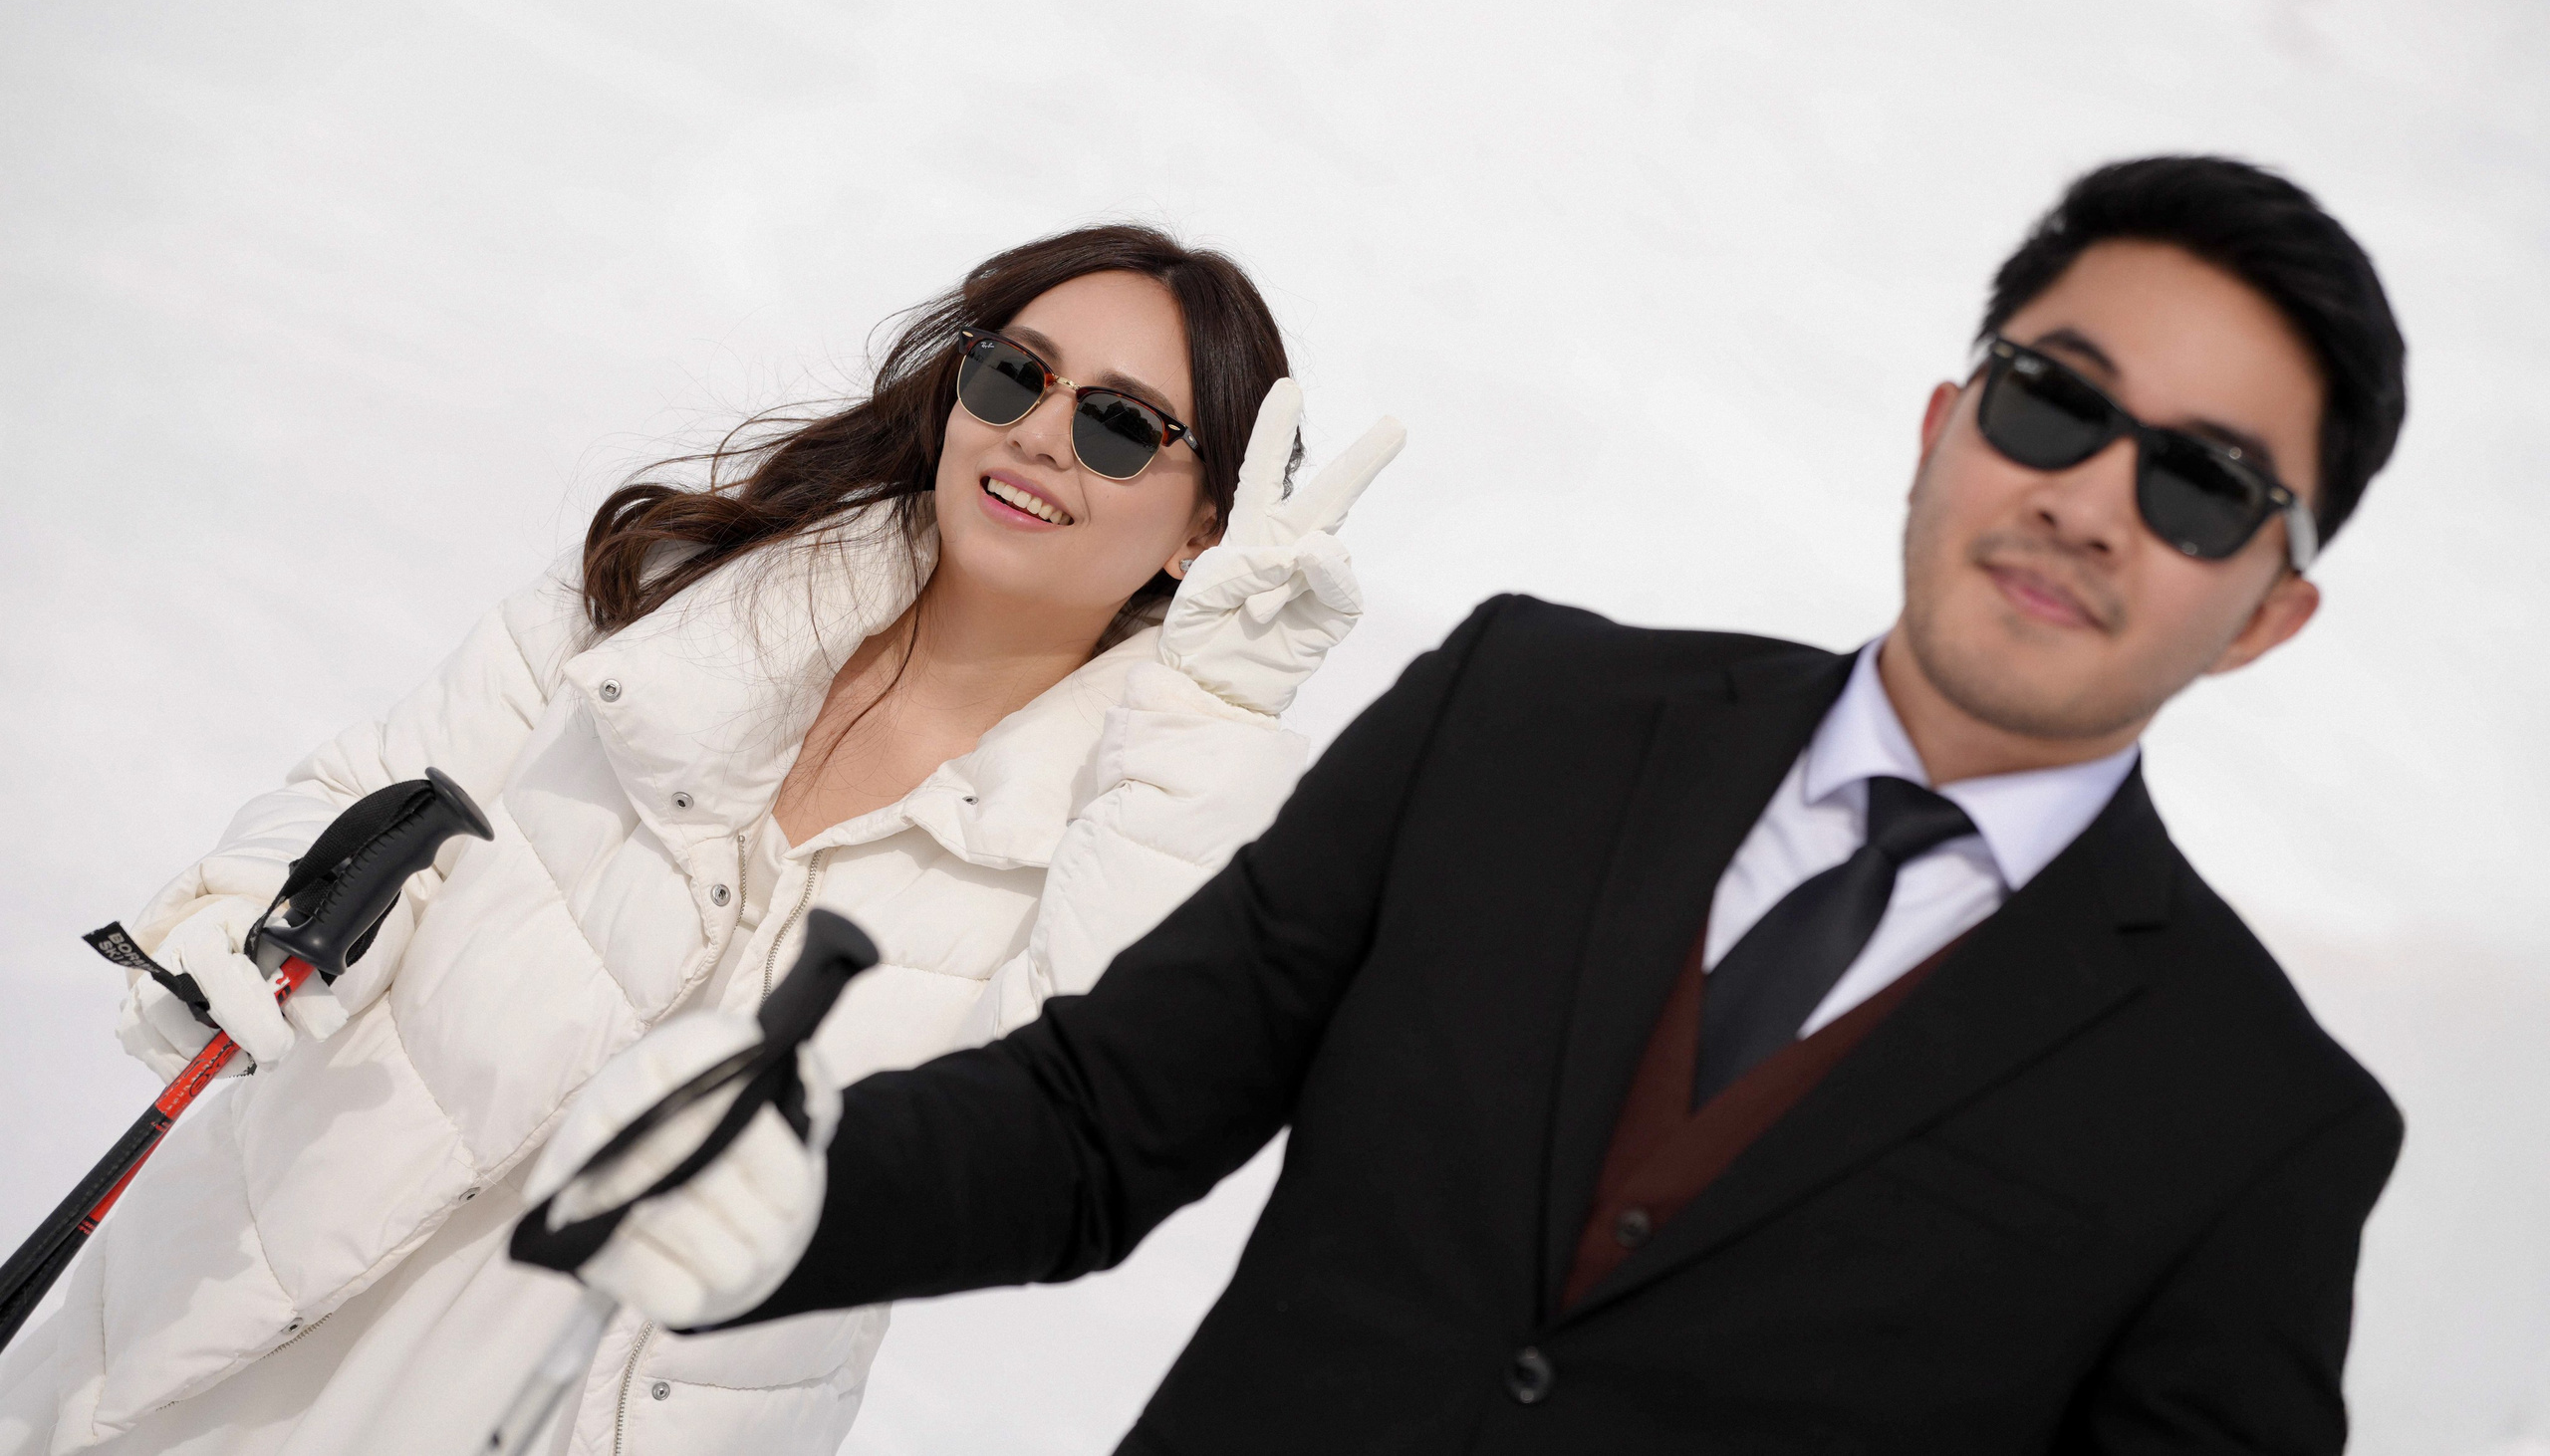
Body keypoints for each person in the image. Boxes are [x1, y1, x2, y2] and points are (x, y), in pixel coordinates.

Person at [540, 156, 2413, 1454]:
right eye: (2053, 402)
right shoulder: (1529, 712)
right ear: (1943, 426)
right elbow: (1104, 1118)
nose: (2090, 499)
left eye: (2202, 489)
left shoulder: (2255, 1130)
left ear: (2273, 611)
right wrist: (796, 1186)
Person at [0, 225, 1404, 1456]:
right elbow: (378, 789)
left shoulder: (1120, 836)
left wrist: (1213, 711)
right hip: (223, 1341)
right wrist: (251, 901)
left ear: (1204, 528)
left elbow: (1069, 1123)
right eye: (1012, 373)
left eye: (1118, 426)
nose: (1039, 432)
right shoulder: (676, 594)